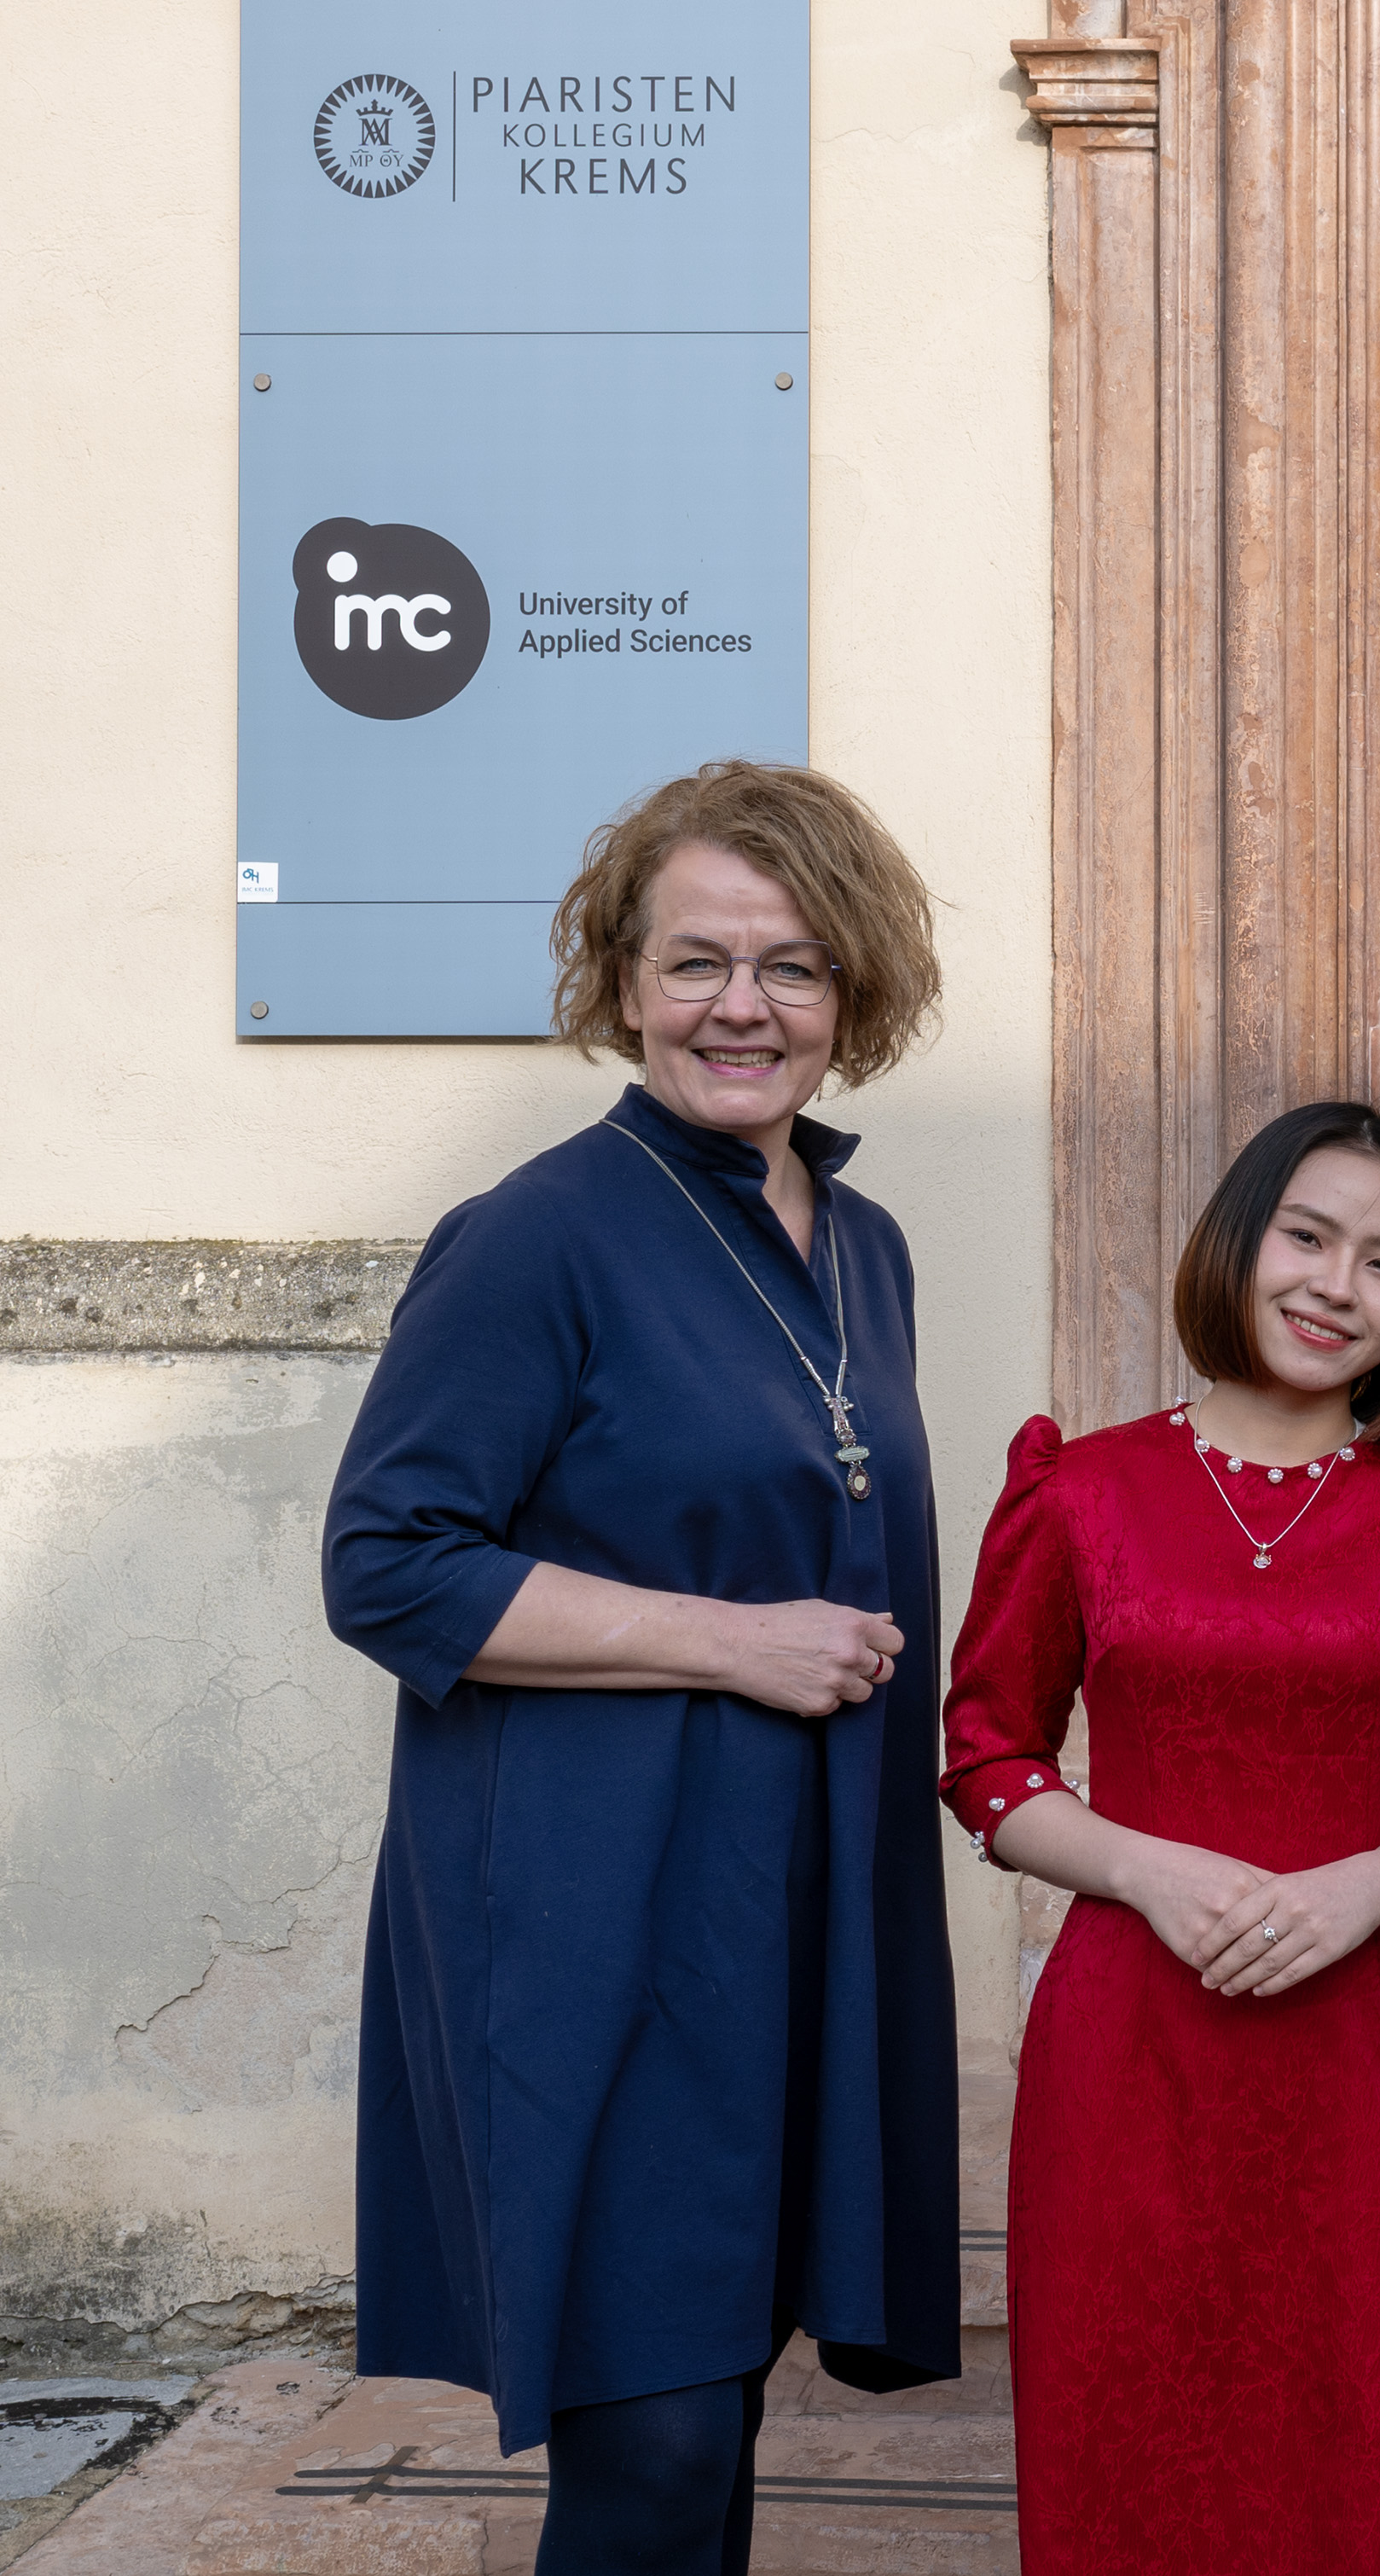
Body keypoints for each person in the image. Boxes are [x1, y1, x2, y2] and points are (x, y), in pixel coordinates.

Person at [321, 763, 961, 2576]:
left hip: (796, 1918)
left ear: (851, 994)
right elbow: (386, 1563)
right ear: (621, 984)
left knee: (719, 2408)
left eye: (792, 966)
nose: (742, 1007)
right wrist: (731, 1640)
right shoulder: (537, 1234)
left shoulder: (867, 1248)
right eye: (696, 962)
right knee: (656, 2441)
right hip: (595, 1921)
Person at [938, 1100, 1380, 2575]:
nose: (1338, 1286)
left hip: (1372, 2066)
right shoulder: (1081, 1490)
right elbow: (986, 1757)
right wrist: (1143, 1865)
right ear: (1239, 1243)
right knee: (1124, 2451)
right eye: (1308, 1237)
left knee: (1363, 2463)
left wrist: (1377, 1884)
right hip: (1128, 2056)